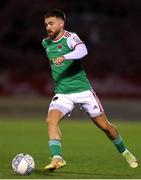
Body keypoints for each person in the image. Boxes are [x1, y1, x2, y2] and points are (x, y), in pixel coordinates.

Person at [42, 9, 138, 171]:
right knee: (51, 121)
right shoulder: (45, 42)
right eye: (46, 24)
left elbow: (83, 50)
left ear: (61, 24)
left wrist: (65, 56)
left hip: (83, 91)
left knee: (105, 127)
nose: (48, 27)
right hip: (62, 93)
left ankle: (125, 151)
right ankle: (57, 158)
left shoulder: (70, 37)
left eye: (51, 24)